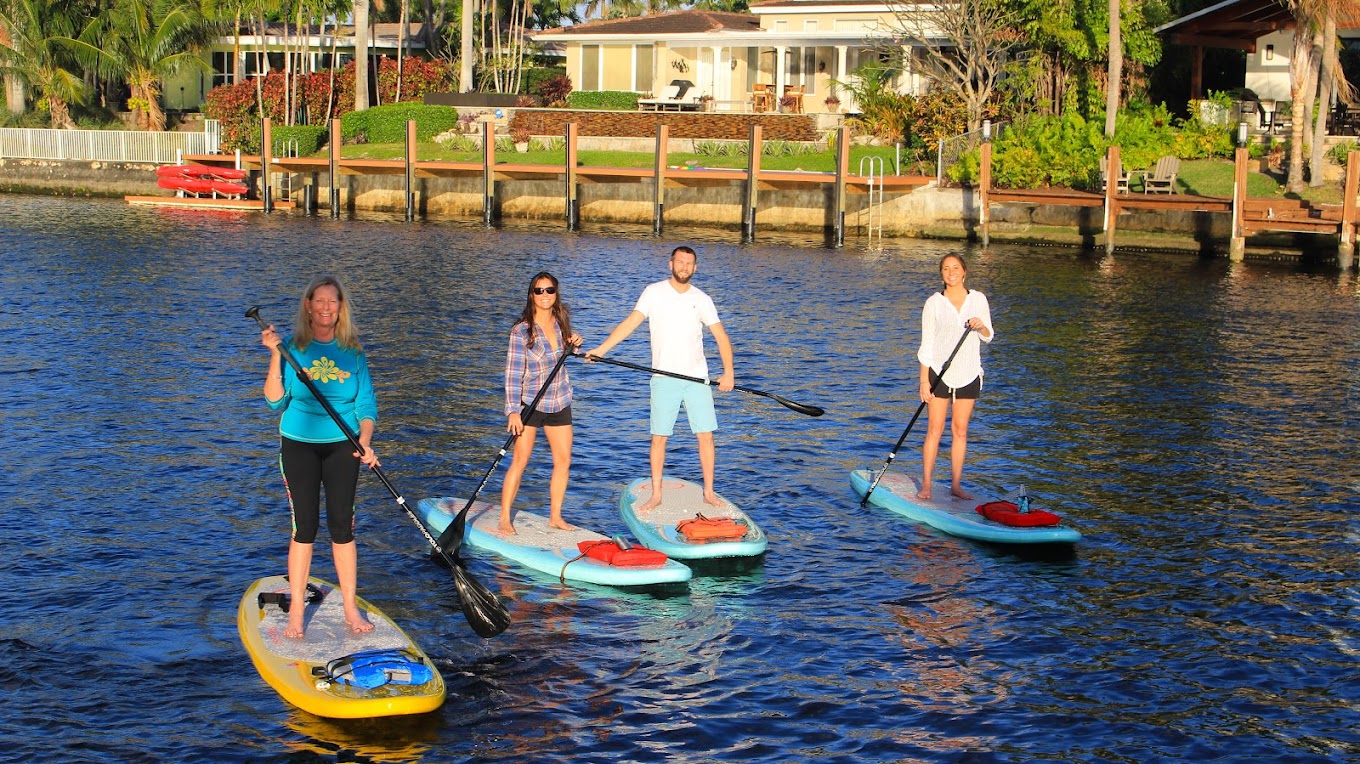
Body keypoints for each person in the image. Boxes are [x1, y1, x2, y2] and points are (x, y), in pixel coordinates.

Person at [259, 275, 380, 639]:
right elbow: (274, 401)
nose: (327, 307)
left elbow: (366, 405)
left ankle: (348, 607)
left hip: (344, 444)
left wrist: (366, 441)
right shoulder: (292, 348)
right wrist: (273, 357)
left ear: (341, 308)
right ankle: (296, 611)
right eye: (320, 301)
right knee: (305, 527)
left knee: (343, 527)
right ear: (308, 306)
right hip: (299, 443)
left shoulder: (354, 352)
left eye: (334, 302)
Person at [586, 245, 734, 511]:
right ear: (671, 264)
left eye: (689, 263)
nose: (684, 267)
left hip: (697, 379)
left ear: (695, 268)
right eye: (680, 262)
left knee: (706, 436)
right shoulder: (653, 293)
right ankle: (656, 494)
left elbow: (721, 338)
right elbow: (630, 323)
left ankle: (709, 492)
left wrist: (729, 373)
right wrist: (601, 350)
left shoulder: (702, 299)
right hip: (664, 378)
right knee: (659, 437)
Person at [499, 272, 583, 535]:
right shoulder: (521, 331)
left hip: (559, 399)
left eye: (549, 290)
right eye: (539, 291)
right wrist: (513, 411)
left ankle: (555, 517)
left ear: (556, 293)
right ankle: (504, 518)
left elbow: (565, 353)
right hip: (530, 404)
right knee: (521, 460)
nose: (545, 295)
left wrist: (574, 345)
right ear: (531, 295)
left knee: (563, 460)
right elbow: (513, 374)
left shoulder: (561, 321)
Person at [917, 253, 993, 501]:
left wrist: (980, 325)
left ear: (964, 272)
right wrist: (924, 381)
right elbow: (926, 345)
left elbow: (988, 335)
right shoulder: (933, 303)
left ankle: (956, 486)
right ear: (942, 274)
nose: (951, 272)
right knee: (935, 429)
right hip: (940, 374)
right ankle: (927, 484)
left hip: (969, 372)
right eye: (946, 269)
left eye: (956, 268)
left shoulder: (978, 299)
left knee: (960, 430)